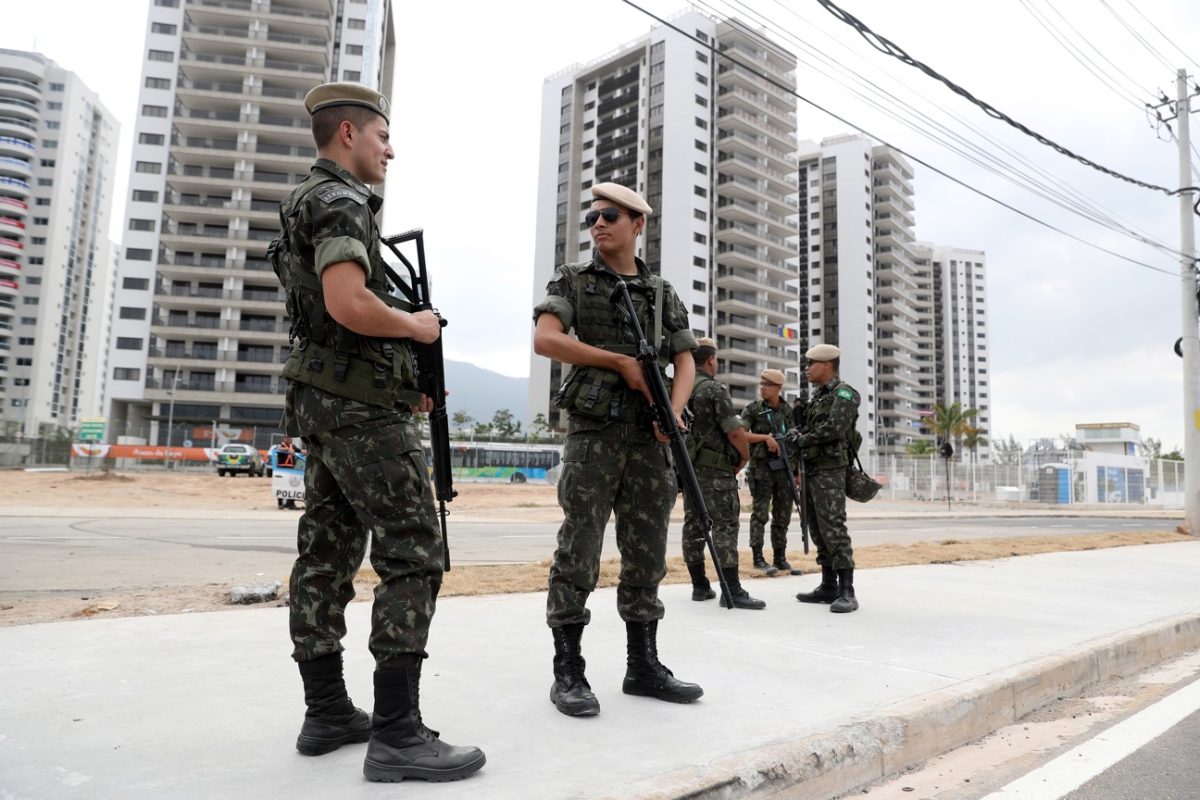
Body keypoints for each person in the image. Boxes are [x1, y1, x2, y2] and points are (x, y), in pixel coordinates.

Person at [275, 82, 484, 782]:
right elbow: (348, 303)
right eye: (382, 137)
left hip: (329, 403)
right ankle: (397, 733)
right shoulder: (338, 201)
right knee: (414, 551)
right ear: (348, 136)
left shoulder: (306, 198)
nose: (390, 149)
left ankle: (328, 709)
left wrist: (405, 371)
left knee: (327, 553)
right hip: (358, 410)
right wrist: (417, 328)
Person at [533, 181, 704, 718]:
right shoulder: (574, 280)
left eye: (610, 215)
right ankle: (569, 671)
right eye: (592, 217)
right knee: (579, 548)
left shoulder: (659, 292)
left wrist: (674, 413)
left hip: (650, 437)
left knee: (647, 552)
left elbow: (687, 359)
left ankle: (643, 666)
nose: (598, 224)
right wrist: (619, 363)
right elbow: (547, 338)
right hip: (594, 434)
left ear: (638, 224)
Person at [681, 338, 763, 609]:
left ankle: (699, 586)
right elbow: (735, 431)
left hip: (688, 468)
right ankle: (732, 589)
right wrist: (744, 456)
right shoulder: (714, 389)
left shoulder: (678, 390)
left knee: (694, 525)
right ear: (711, 360)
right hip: (716, 471)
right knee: (725, 526)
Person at [792, 344, 862, 613]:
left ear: (827, 365)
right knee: (817, 528)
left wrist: (803, 439)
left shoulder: (844, 394)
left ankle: (847, 590)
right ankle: (828, 585)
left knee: (833, 527)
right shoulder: (816, 397)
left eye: (811, 364)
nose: (807, 369)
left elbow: (834, 428)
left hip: (831, 470)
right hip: (811, 468)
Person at [740, 369, 800, 576]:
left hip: (784, 469)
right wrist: (765, 438)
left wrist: (797, 471)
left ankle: (780, 558)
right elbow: (741, 435)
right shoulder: (753, 409)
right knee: (760, 514)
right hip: (761, 468)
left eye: (767, 384)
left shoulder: (788, 410)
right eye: (761, 384)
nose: (762, 388)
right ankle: (758, 558)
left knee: (783, 515)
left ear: (778, 388)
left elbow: (795, 440)